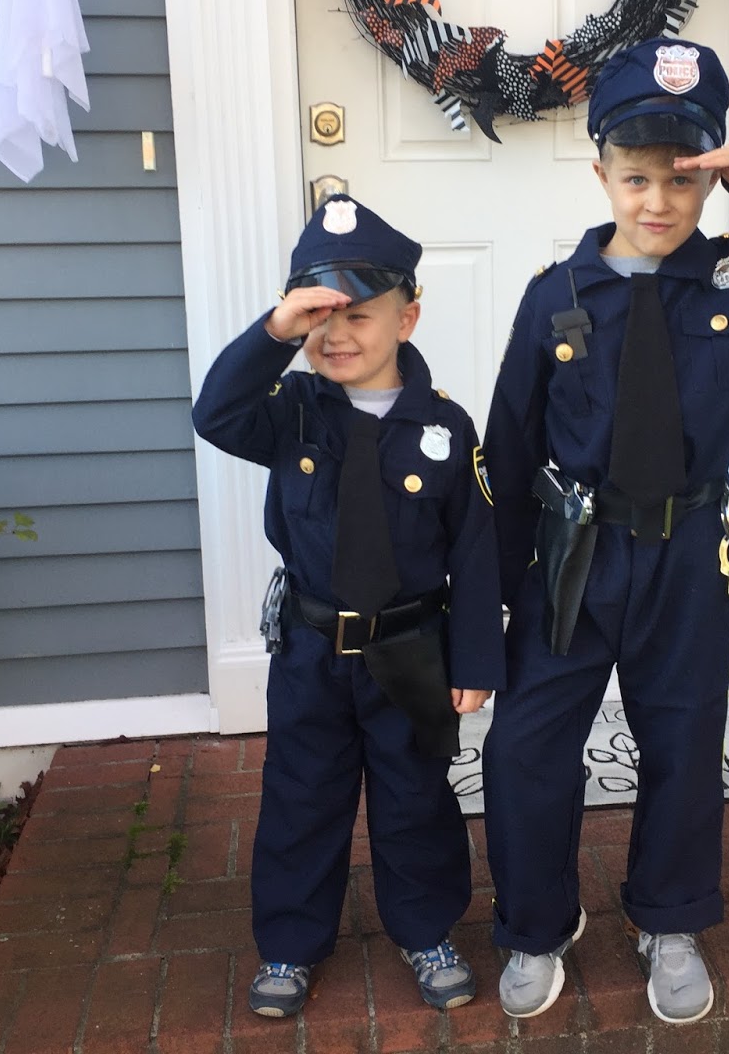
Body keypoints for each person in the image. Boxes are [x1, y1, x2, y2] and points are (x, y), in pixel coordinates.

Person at [481, 37, 729, 1024]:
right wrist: (490, 602)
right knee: (526, 746)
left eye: (681, 179)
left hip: (688, 554)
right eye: (636, 178)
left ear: (709, 181)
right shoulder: (556, 295)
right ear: (601, 176)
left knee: (685, 739)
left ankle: (668, 917)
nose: (657, 201)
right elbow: (509, 448)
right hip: (571, 556)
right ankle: (536, 922)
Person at [192, 195, 504, 1018]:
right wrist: (274, 331)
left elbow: (475, 553)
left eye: (357, 315)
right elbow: (214, 412)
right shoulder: (289, 413)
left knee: (415, 797)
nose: (335, 335)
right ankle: (291, 943)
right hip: (312, 649)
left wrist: (477, 659)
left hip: (412, 650)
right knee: (302, 798)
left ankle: (426, 929)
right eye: (317, 317)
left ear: (407, 318)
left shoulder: (446, 428)